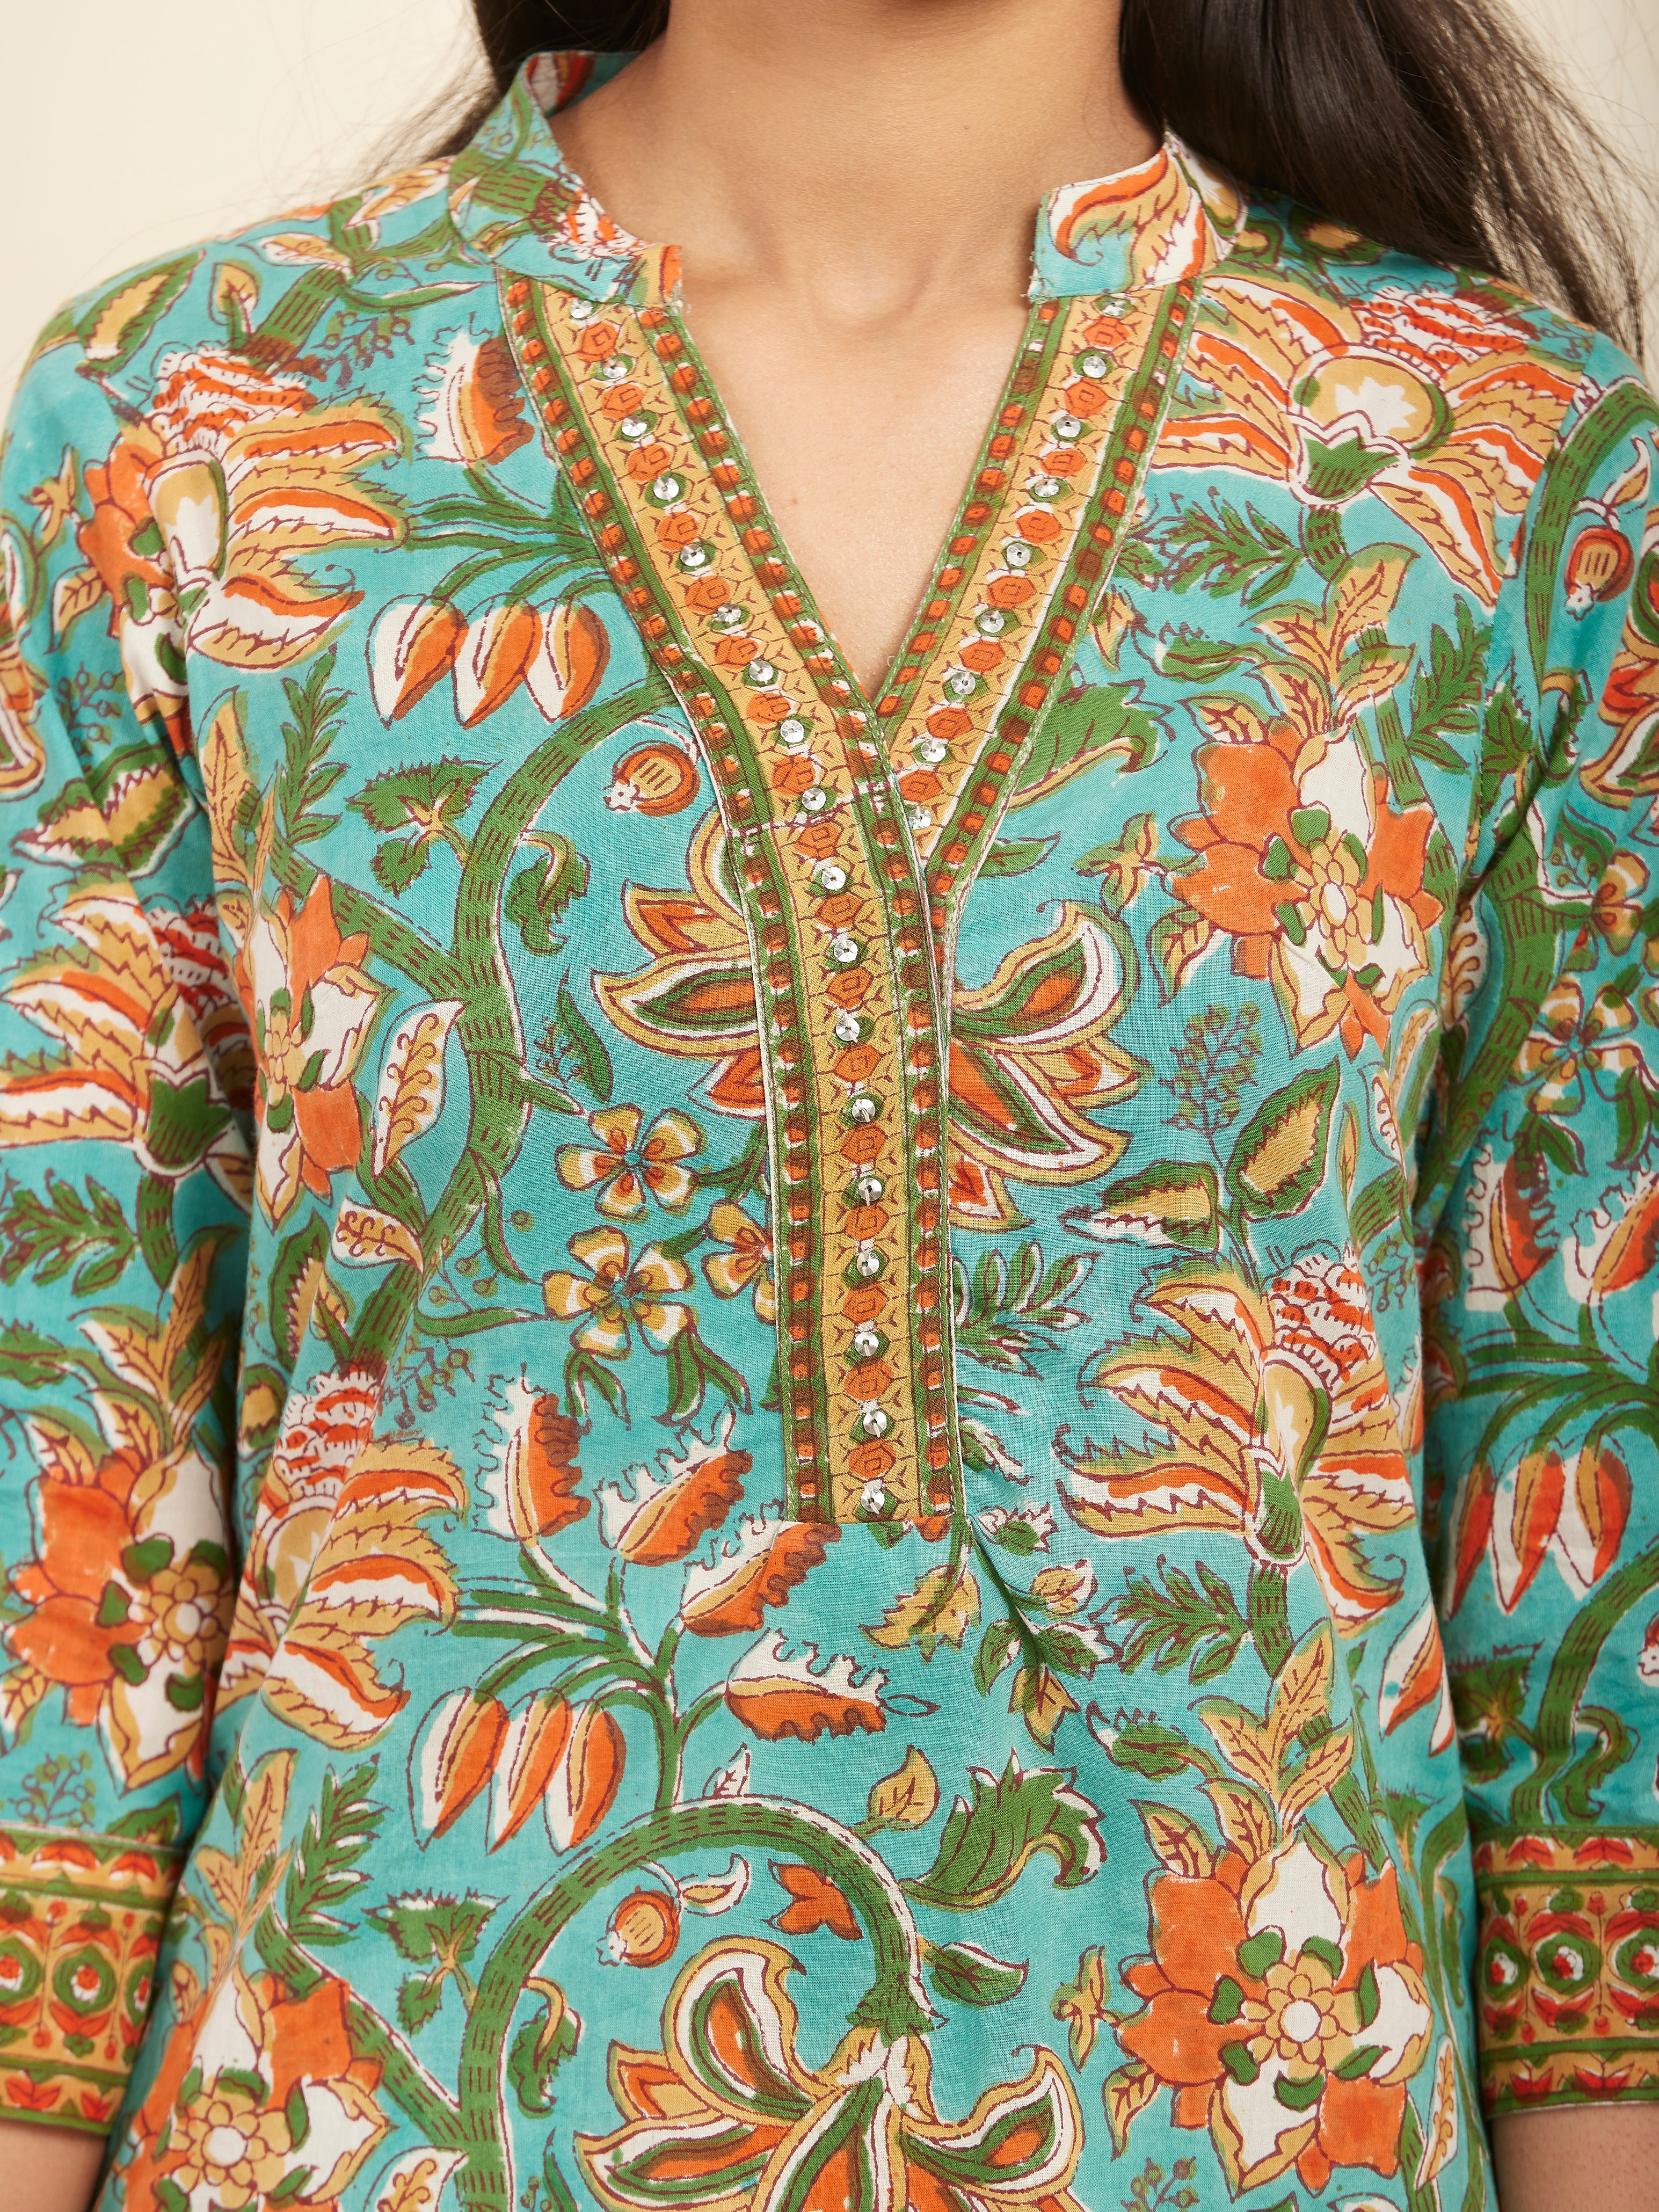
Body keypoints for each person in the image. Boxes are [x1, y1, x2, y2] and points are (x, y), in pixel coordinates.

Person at [1, 2, 1655, 2206]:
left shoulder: (1493, 473)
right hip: (370, 2127)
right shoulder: (205, 425)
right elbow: (63, 1501)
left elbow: (1592, 1614)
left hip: (1237, 2133)